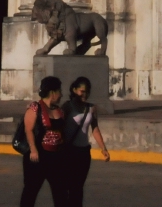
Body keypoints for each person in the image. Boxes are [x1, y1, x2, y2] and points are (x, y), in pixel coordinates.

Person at [60, 77, 111, 207]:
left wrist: (103, 148)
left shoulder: (91, 108)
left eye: (87, 91)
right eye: (82, 91)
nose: (84, 94)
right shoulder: (67, 107)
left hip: (83, 152)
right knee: (69, 186)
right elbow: (58, 126)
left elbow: (95, 129)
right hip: (69, 151)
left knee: (78, 186)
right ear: (74, 90)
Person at [21, 76, 69, 206]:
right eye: (59, 91)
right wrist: (33, 150)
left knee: (60, 192)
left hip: (56, 156)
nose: (61, 94)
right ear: (52, 92)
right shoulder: (35, 107)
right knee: (31, 190)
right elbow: (28, 130)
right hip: (39, 156)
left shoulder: (59, 110)